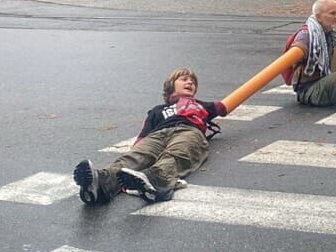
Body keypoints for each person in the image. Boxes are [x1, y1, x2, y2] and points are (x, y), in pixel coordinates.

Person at [74, 68, 225, 204]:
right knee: (135, 157)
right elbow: (143, 136)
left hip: (189, 131)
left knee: (175, 155)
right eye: (184, 79)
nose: (190, 82)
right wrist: (137, 147)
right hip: (157, 134)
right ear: (171, 85)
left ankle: (155, 180)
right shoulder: (157, 110)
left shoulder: (200, 104)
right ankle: (100, 184)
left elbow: (223, 106)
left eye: (193, 81)